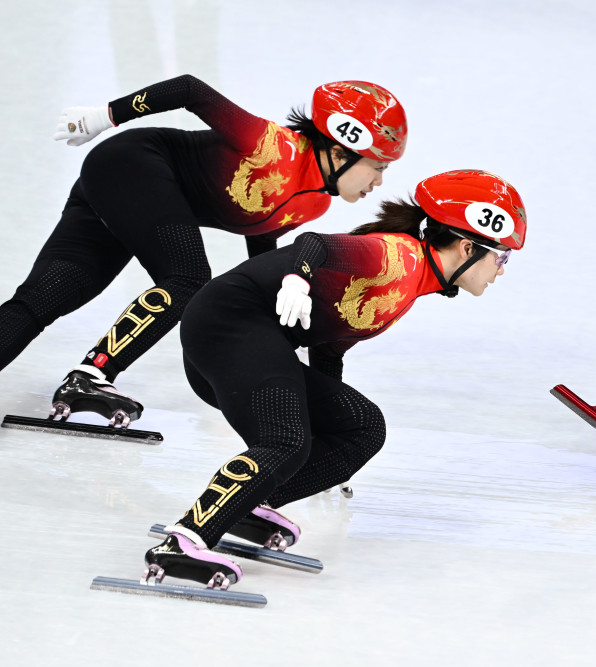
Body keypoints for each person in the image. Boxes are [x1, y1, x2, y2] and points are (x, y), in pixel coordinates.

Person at [142, 169, 526, 589]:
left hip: (241, 343)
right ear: (468, 246)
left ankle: (247, 504)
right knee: (286, 442)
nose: (501, 270)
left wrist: (333, 431)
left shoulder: (412, 283)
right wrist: (296, 278)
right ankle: (184, 542)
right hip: (228, 327)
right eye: (501, 257)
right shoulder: (398, 257)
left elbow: (328, 348)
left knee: (361, 427)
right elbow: (316, 244)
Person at [0, 75, 407, 427]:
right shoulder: (272, 146)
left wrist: (268, 305)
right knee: (188, 279)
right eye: (379, 167)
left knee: (46, 295)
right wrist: (106, 115)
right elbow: (191, 90)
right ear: (340, 151)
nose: (379, 181)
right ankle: (93, 372)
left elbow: (262, 236)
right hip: (131, 164)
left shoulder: (314, 201)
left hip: (126, 193)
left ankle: (90, 372)